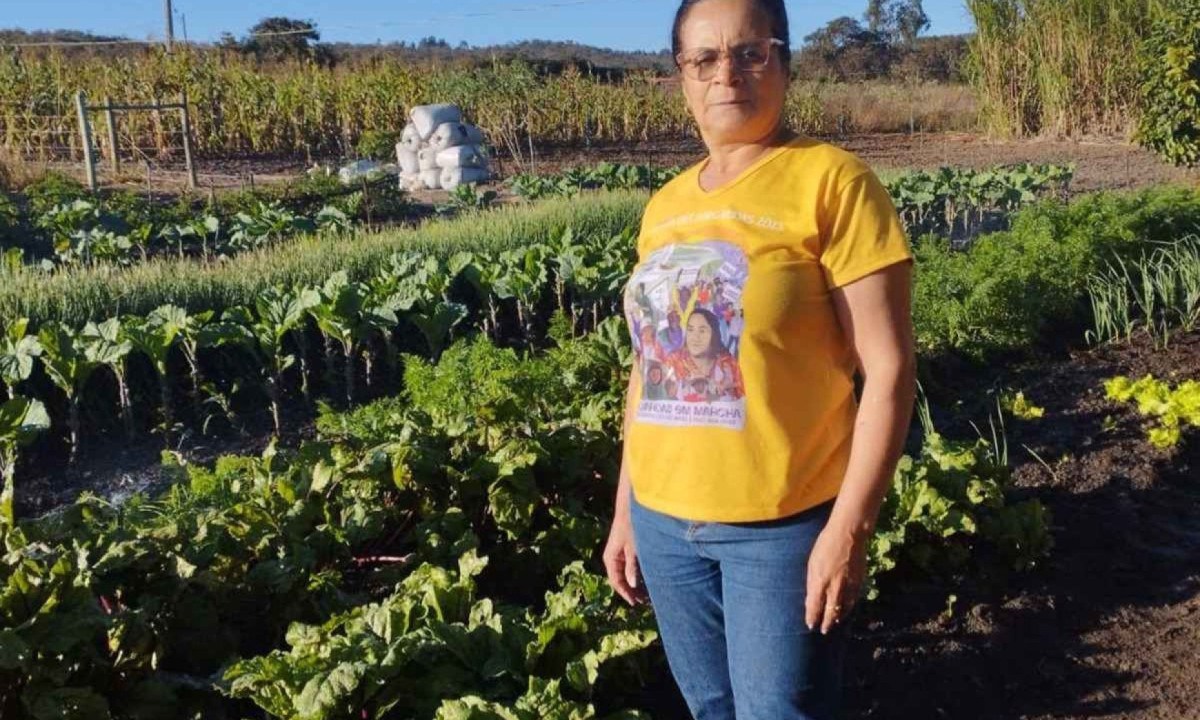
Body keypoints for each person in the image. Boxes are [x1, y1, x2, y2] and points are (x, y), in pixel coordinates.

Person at [601, 0, 916, 718]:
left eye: (751, 52)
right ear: (681, 74)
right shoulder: (665, 206)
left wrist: (849, 530)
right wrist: (625, 509)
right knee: (711, 709)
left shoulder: (833, 182)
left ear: (784, 62)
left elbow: (890, 368)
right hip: (663, 522)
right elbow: (649, 367)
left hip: (780, 527)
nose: (727, 74)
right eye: (704, 58)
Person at [664, 308, 744, 402]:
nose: (695, 337)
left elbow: (744, 398)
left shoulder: (729, 364)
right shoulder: (674, 361)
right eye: (690, 330)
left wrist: (729, 386)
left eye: (702, 331)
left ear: (714, 335)